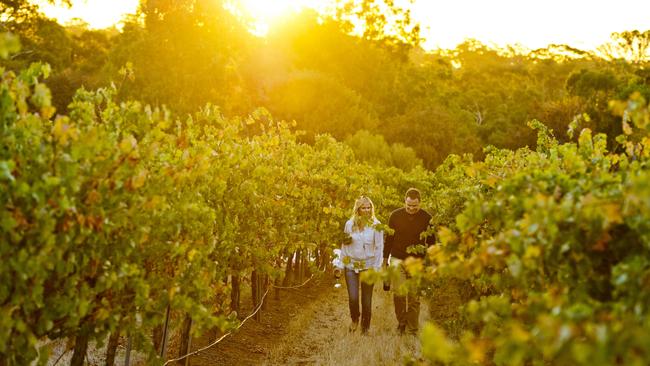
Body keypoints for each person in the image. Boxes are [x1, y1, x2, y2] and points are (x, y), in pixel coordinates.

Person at [383, 188, 433, 335]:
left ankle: (413, 329)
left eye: (415, 206)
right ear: (405, 201)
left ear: (420, 203)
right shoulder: (395, 216)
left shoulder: (427, 218)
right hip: (397, 259)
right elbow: (389, 240)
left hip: (417, 262)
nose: (411, 209)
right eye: (409, 205)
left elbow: (431, 242)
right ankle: (401, 322)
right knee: (399, 294)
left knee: (414, 297)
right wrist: (385, 260)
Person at [335, 196, 384, 334]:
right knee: (353, 297)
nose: (367, 210)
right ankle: (355, 319)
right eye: (364, 208)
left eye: (369, 207)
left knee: (367, 300)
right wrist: (340, 264)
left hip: (368, 265)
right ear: (358, 209)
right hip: (351, 264)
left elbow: (379, 248)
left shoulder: (376, 225)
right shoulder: (349, 224)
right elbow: (345, 246)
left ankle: (365, 328)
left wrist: (377, 267)